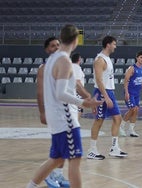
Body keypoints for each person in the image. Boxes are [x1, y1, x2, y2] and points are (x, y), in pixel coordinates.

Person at [27, 24, 103, 188]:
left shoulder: (51, 60)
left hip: (56, 119)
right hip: (65, 119)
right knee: (74, 161)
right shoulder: (64, 61)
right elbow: (60, 94)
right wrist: (84, 102)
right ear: (76, 41)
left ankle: (30, 186)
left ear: (61, 38)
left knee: (57, 159)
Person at [37, 37, 71, 188]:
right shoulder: (44, 68)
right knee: (59, 145)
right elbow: (40, 92)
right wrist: (42, 112)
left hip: (65, 111)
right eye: (52, 46)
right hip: (53, 111)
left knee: (64, 146)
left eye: (58, 45)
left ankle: (57, 174)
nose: (56, 47)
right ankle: (49, 175)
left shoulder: (64, 65)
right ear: (47, 50)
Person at [87, 35, 128, 160]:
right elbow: (98, 80)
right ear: (108, 44)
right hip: (101, 93)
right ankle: (92, 150)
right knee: (99, 120)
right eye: (114, 44)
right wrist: (105, 96)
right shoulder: (100, 60)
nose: (115, 46)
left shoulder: (108, 59)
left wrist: (110, 95)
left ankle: (114, 148)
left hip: (109, 92)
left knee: (118, 118)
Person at [119, 51, 142, 137]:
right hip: (130, 93)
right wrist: (126, 92)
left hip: (137, 93)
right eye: (141, 57)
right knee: (132, 109)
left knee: (136, 110)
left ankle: (131, 130)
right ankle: (121, 127)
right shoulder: (132, 68)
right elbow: (125, 80)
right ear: (137, 58)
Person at [71, 52, 91, 118]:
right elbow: (77, 82)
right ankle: (74, 126)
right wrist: (84, 93)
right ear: (79, 59)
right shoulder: (77, 68)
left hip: (72, 92)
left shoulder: (70, 66)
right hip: (77, 93)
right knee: (78, 110)